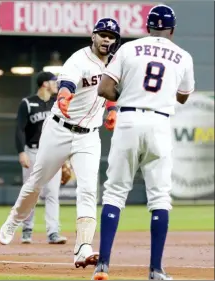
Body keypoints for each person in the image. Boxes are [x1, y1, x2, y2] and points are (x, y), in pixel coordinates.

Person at [0, 18, 121, 268]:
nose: (107, 39)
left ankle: (83, 248)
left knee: (88, 189)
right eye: (103, 34)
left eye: (111, 35)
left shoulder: (116, 62)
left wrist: (112, 110)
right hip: (59, 129)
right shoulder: (78, 59)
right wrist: (64, 96)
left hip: (89, 135)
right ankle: (14, 219)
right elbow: (66, 84)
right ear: (93, 36)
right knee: (36, 182)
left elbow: (110, 89)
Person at [92, 5, 195, 280]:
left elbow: (104, 88)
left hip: (127, 120)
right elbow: (183, 96)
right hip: (159, 123)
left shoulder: (128, 49)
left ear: (147, 27)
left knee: (114, 192)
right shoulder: (183, 56)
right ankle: (156, 269)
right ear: (172, 30)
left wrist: (128, 90)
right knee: (160, 196)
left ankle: (102, 265)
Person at [14, 71, 69, 244]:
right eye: (54, 81)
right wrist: (21, 152)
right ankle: (27, 229)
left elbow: (64, 131)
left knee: (52, 193)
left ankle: (53, 232)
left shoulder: (57, 104)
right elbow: (19, 129)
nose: (56, 84)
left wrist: (65, 157)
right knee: (31, 192)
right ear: (45, 84)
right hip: (33, 152)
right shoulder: (28, 103)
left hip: (53, 152)